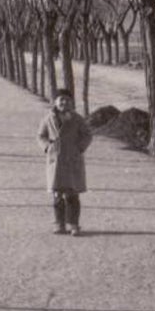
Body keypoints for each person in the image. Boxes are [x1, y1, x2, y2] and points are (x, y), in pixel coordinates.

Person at [37, 89, 94, 236]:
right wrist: (47, 147)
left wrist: (79, 148)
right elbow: (41, 135)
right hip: (55, 161)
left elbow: (87, 134)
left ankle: (74, 224)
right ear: (55, 102)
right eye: (61, 99)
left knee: (72, 194)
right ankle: (59, 224)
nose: (64, 103)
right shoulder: (48, 118)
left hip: (72, 161)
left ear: (72, 103)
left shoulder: (77, 119)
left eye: (67, 100)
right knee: (57, 195)